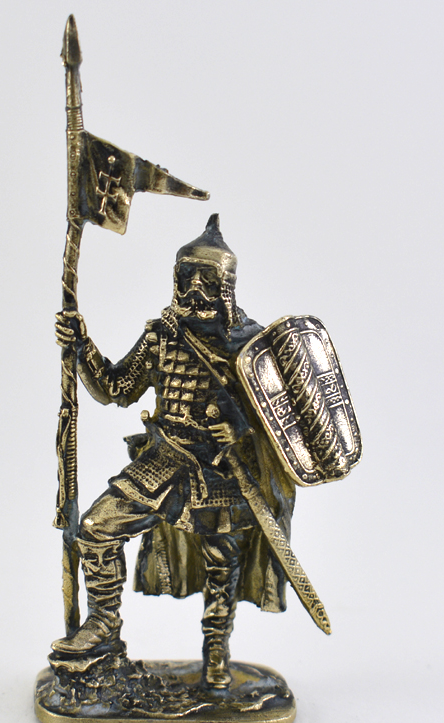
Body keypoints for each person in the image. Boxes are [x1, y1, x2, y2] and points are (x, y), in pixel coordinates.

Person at [52, 215, 296, 689]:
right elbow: (117, 388)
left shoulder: (252, 345)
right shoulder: (161, 335)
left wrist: (241, 430)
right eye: (188, 277)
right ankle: (103, 626)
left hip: (224, 471)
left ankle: (216, 654)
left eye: (208, 279)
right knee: (97, 528)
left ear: (226, 287)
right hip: (164, 458)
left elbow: (279, 419)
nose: (196, 288)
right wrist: (82, 347)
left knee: (222, 564)